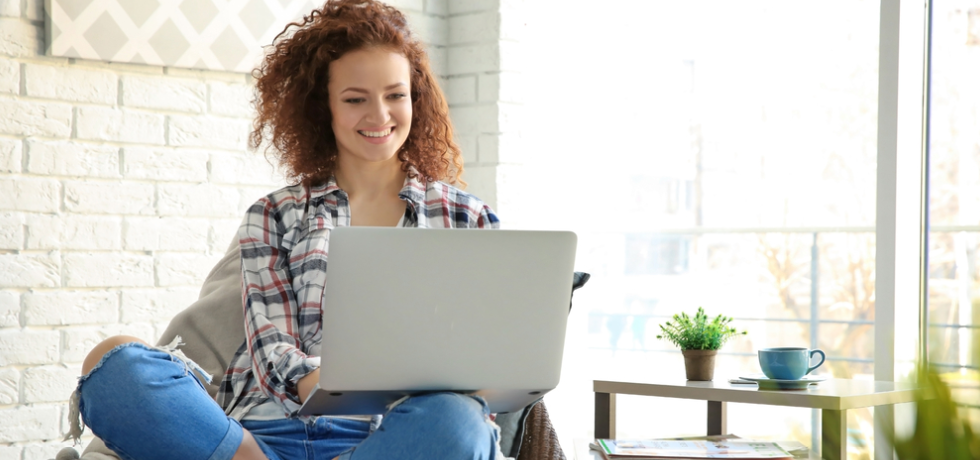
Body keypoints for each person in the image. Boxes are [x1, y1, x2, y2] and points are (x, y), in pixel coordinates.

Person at [69, 1, 503, 459]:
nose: (379, 115)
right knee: (115, 363)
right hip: (258, 438)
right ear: (325, 109)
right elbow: (273, 351)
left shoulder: (467, 218)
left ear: (415, 97)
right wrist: (338, 381)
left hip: (385, 438)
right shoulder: (274, 215)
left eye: (396, 95)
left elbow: (483, 364)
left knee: (458, 422)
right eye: (356, 99)